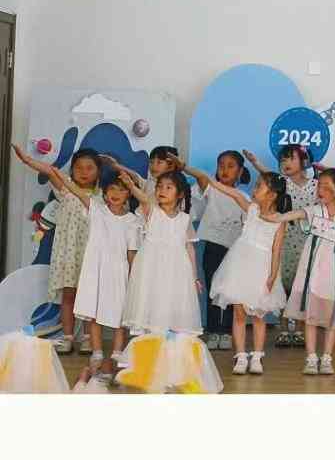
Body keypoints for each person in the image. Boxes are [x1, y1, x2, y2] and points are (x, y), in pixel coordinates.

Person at [48, 165, 141, 369]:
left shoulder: (132, 221)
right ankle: (97, 352)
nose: (116, 193)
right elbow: (75, 190)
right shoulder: (97, 210)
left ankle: (117, 352)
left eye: (122, 190)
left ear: (129, 194)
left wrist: (134, 278)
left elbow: (131, 252)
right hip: (96, 270)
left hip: (119, 272)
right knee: (95, 312)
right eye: (112, 189)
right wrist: (54, 171)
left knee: (120, 314)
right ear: (104, 193)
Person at [13, 144, 102, 354]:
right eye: (79, 167)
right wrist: (28, 160)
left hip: (90, 255)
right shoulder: (66, 189)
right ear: (72, 171)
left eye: (89, 168)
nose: (84, 172)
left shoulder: (103, 196)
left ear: (98, 171)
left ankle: (88, 338)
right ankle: (68, 337)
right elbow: (50, 171)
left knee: (90, 298)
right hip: (68, 254)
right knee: (68, 297)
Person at [207, 172, 298, 375]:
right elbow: (234, 194)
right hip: (239, 265)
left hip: (261, 268)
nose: (255, 189)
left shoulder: (279, 220)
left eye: (259, 186)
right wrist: (212, 182)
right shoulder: (252, 209)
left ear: (272, 194)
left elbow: (276, 250)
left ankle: (257, 356)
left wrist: (272, 275)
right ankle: (240, 356)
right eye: (255, 185)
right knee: (239, 313)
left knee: (259, 315)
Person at [281, 168, 335, 376]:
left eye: (327, 186)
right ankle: (311, 358)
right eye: (319, 185)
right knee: (310, 316)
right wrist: (274, 217)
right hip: (312, 273)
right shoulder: (315, 210)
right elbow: (295, 214)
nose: (320, 190)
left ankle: (326, 358)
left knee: (332, 319)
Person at [170, 151, 248, 351]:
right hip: (213, 247)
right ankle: (214, 330)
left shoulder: (245, 197)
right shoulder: (212, 189)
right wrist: (184, 167)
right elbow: (201, 177)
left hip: (235, 251)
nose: (225, 170)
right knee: (213, 289)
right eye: (221, 165)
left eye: (231, 166)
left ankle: (227, 331)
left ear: (240, 171)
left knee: (231, 291)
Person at [244, 145, 318, 347]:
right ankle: (284, 329)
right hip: (283, 241)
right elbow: (268, 176)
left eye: (290, 159)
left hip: (306, 243)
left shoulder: (316, 185)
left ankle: (300, 329)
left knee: (301, 288)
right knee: (283, 286)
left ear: (304, 161)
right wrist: (255, 162)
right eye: (282, 160)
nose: (285, 163)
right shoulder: (282, 183)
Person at [117, 167, 203, 338]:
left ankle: (168, 344)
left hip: (176, 269)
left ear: (180, 194)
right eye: (159, 186)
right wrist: (131, 186)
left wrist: (194, 278)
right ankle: (149, 341)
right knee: (150, 300)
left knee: (171, 302)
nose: (162, 190)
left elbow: (189, 248)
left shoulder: (184, 219)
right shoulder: (152, 210)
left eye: (168, 187)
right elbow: (143, 197)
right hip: (151, 266)